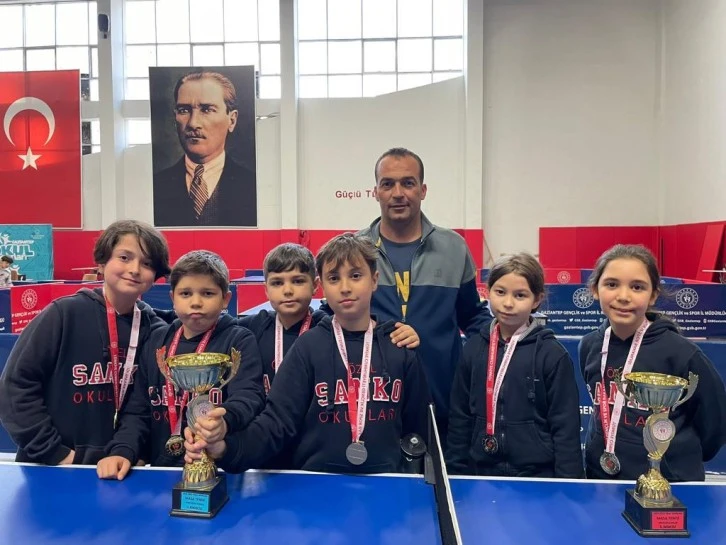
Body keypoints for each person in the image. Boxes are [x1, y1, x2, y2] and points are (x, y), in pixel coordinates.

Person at [184, 233, 430, 474]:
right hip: (315, 481)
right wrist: (225, 448)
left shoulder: (399, 345)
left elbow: (418, 430)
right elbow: (276, 423)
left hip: (387, 481)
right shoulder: (308, 346)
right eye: (334, 278)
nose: (345, 288)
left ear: (374, 280)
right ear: (322, 286)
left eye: (356, 276)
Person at [0, 220, 171, 465]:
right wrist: (55, 452)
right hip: (54, 466)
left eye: (147, 263)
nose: (135, 269)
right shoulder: (62, 315)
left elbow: (146, 406)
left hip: (124, 466)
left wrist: (134, 452)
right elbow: (15, 387)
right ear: (102, 263)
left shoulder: (153, 329)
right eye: (124, 257)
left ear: (156, 275)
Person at [358, 147, 491, 438]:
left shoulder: (453, 247)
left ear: (423, 190)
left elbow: (473, 317)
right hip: (373, 406)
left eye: (408, 183)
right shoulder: (356, 251)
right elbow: (333, 319)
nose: (398, 193)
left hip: (444, 403)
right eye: (388, 184)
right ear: (376, 192)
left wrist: (511, 339)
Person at [96, 250, 265, 480]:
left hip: (220, 470)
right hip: (162, 472)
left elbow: (249, 397)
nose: (196, 302)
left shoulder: (238, 340)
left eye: (207, 293)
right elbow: (137, 410)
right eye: (186, 293)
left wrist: (223, 422)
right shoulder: (157, 342)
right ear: (172, 297)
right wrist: (123, 450)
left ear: (225, 299)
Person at [579, 244, 726, 481]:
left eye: (637, 287)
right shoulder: (590, 346)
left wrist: (678, 458)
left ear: (653, 295)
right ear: (595, 289)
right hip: (601, 476)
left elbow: (714, 422)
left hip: (668, 482)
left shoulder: (683, 353)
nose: (623, 296)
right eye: (612, 284)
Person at [447, 253, 583, 478]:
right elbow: (460, 417)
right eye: (500, 292)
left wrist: (569, 484)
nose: (508, 303)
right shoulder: (473, 348)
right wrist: (455, 473)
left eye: (520, 295)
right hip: (480, 473)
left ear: (537, 300)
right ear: (487, 292)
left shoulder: (552, 354)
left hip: (537, 476)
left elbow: (565, 427)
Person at [241, 242, 421, 395]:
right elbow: (224, 328)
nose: (287, 291)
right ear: (266, 289)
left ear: (316, 285)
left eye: (298, 281)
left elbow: (363, 331)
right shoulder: (252, 328)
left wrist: (402, 333)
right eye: (277, 283)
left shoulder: (329, 328)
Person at [153, 70, 256, 227]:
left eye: (207, 109)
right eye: (184, 110)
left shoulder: (251, 184)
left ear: (232, 120)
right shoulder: (157, 185)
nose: (193, 123)